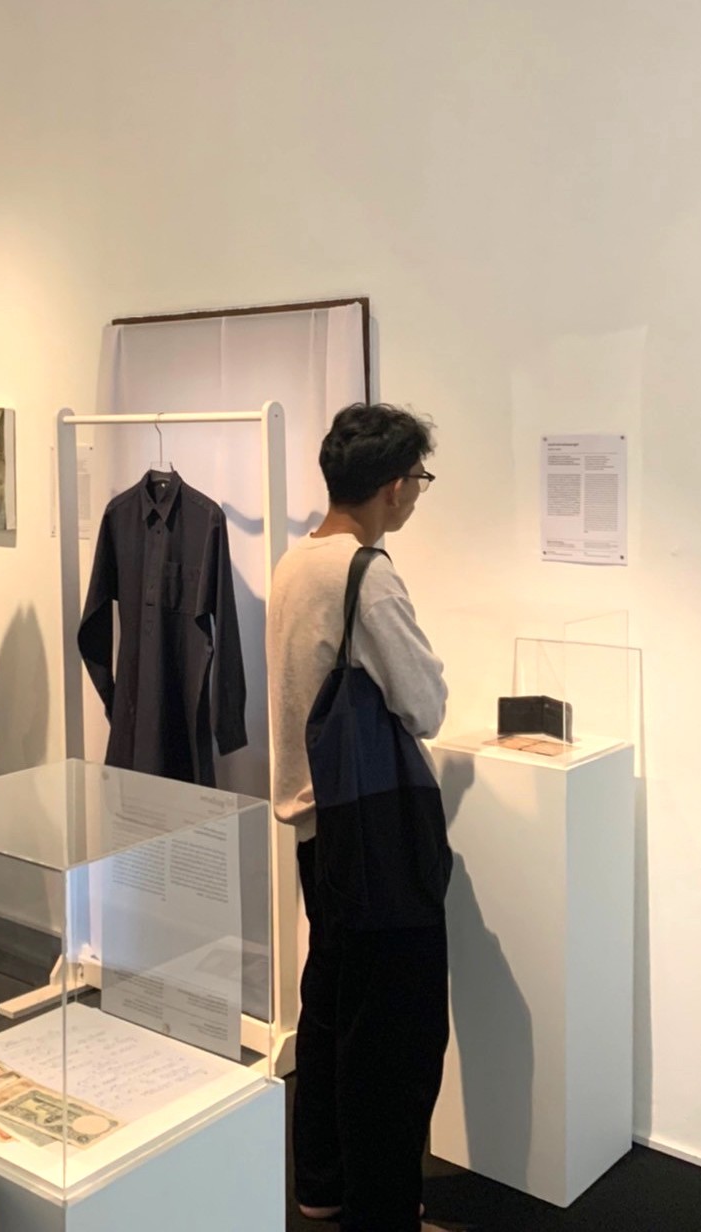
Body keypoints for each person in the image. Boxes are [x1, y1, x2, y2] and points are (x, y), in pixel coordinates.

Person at [266, 403, 449, 1232]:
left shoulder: (293, 560)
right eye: (416, 479)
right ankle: (382, 1211)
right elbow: (425, 702)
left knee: (332, 1007)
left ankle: (321, 1183)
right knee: (394, 1033)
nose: (415, 495)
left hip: (318, 826)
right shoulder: (364, 573)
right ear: (391, 486)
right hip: (373, 832)